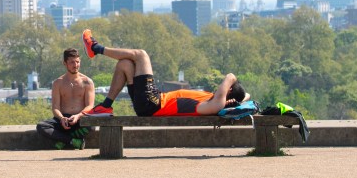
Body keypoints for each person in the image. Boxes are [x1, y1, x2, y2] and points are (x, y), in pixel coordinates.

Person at [81, 29, 248, 117]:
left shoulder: (215, 104)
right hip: (150, 103)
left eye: (226, 87)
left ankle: (95, 48)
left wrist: (231, 84)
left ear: (228, 90)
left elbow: (230, 76)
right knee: (125, 64)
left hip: (153, 102)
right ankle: (106, 106)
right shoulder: (215, 100)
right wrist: (237, 100)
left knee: (141, 55)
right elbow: (245, 95)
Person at [36, 48, 95, 149]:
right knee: (41, 126)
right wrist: (61, 118)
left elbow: (90, 106)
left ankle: (63, 141)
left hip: (80, 119)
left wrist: (78, 116)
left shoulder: (87, 82)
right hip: (63, 120)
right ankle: (72, 141)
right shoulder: (58, 83)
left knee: (92, 125)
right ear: (65, 63)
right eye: (72, 62)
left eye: (77, 62)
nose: (75, 65)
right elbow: (55, 107)